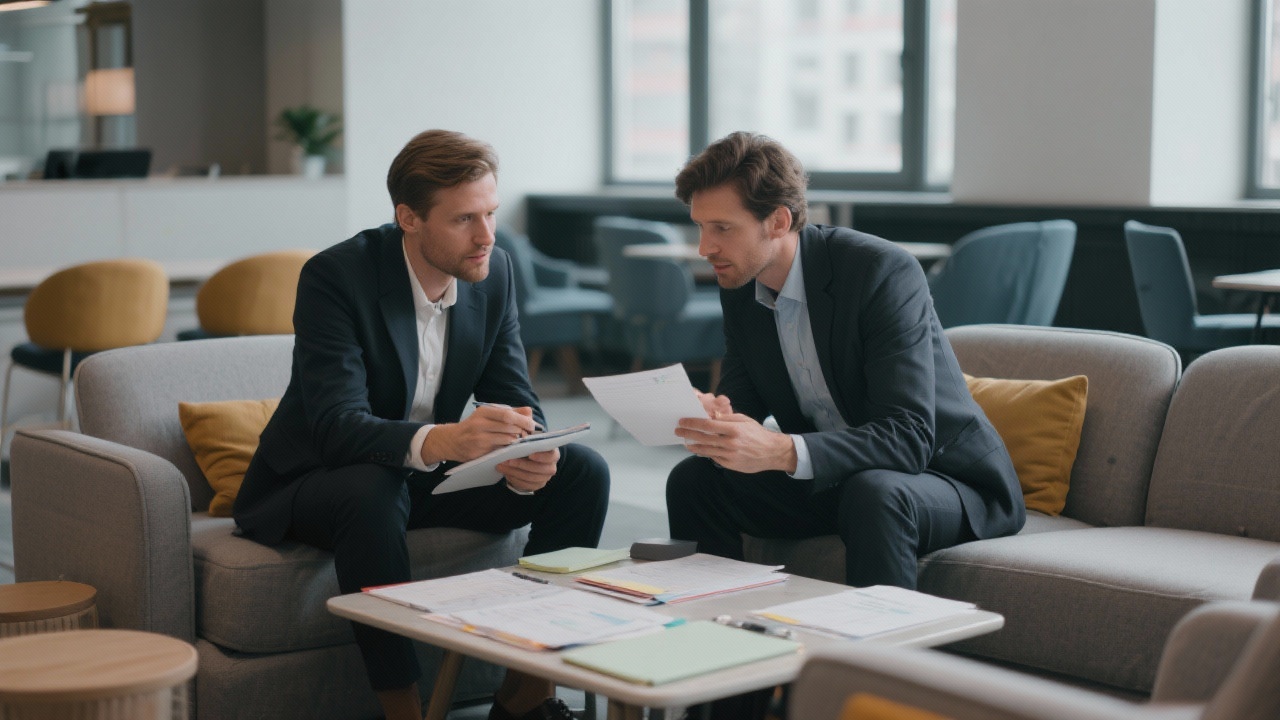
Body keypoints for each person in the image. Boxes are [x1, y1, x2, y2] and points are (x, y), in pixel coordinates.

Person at [233, 129, 609, 720]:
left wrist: (530, 447)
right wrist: (446, 440)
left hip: (424, 477)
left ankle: (523, 694)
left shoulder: (496, 271)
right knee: (371, 489)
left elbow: (515, 395)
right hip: (322, 480)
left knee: (582, 471)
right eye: (465, 219)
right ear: (408, 218)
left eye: (489, 212)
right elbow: (337, 426)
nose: (487, 235)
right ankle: (404, 709)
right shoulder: (336, 277)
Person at [667, 131, 1025, 591]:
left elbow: (909, 438)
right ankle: (721, 637)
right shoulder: (741, 284)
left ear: (778, 221)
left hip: (944, 478)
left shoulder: (880, 271)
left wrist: (781, 450)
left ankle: (881, 661)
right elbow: (743, 401)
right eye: (700, 227)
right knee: (695, 481)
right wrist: (714, 417)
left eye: (722, 228)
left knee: (875, 493)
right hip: (840, 477)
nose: (704, 248)